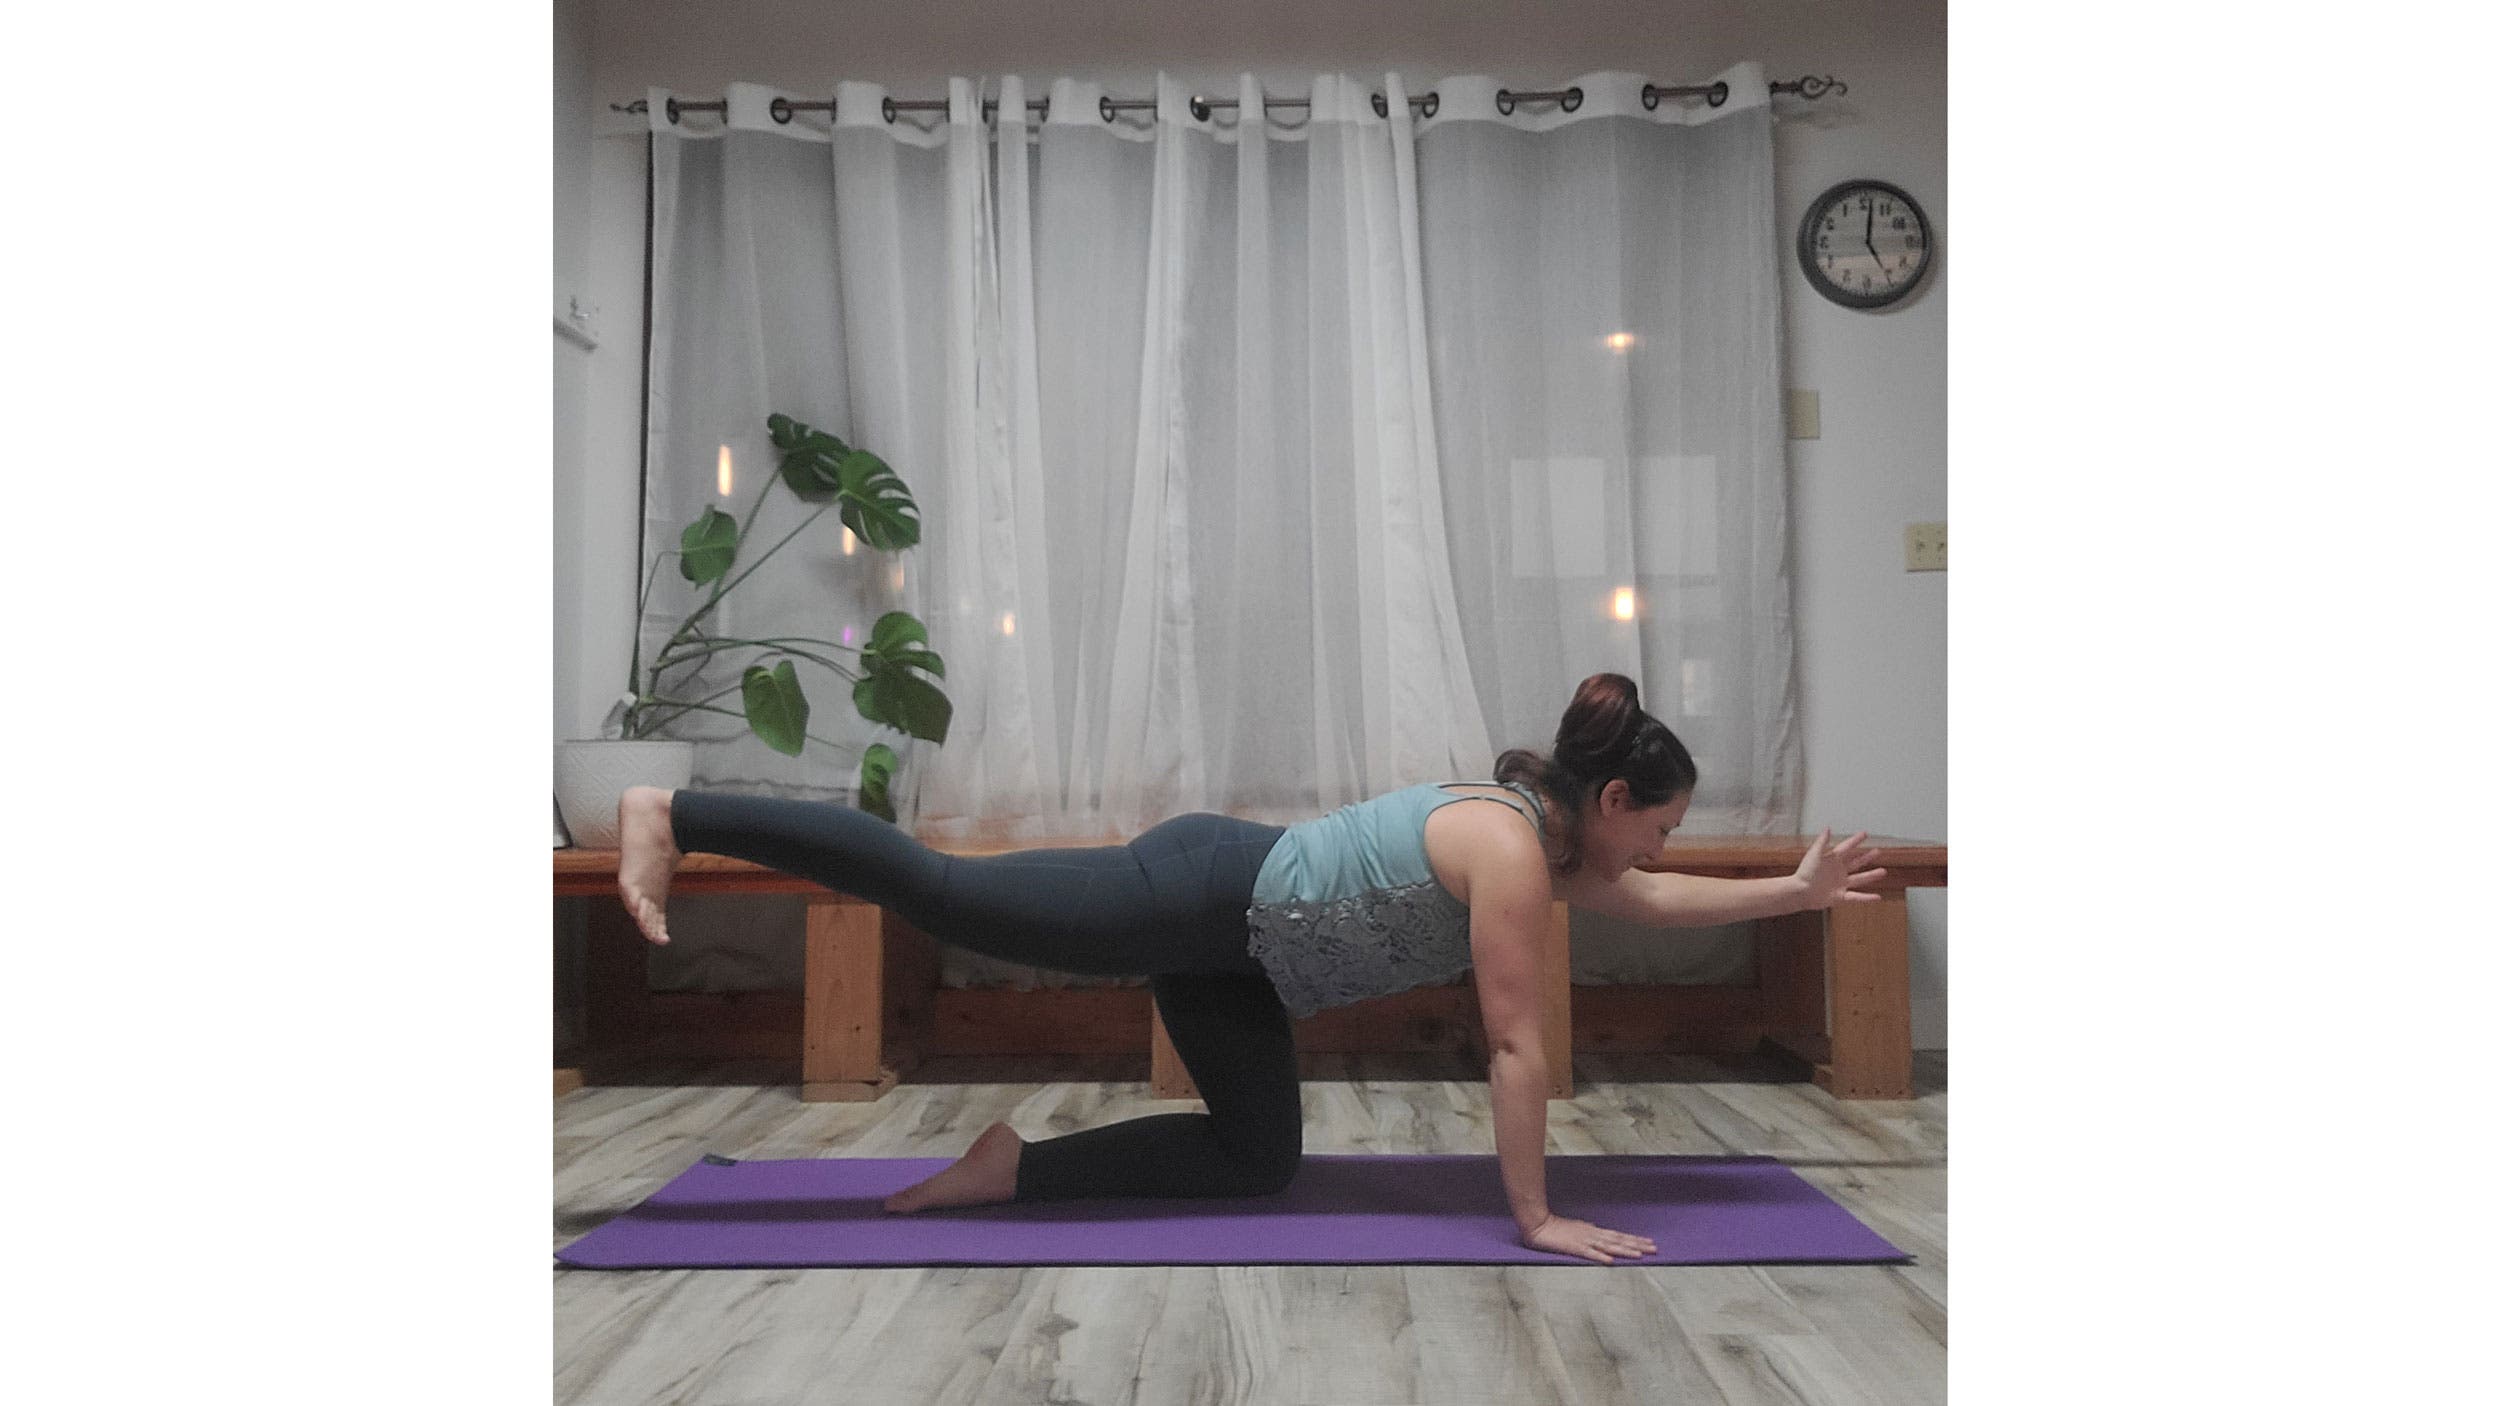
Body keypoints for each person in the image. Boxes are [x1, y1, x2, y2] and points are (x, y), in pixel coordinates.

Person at [613, 671, 1888, 1264]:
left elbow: (1647, 892)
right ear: (1611, 799)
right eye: (1659, 822)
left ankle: (1013, 1170)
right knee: (941, 889)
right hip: (1201, 892)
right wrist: (1535, 1216)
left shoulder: (1544, 839)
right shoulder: (1511, 851)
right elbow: (1514, 1044)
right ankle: (676, 811)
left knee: (1255, 1154)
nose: (1660, 847)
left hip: (1238, 956)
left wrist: (1798, 891)